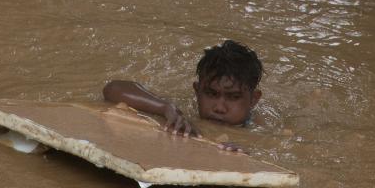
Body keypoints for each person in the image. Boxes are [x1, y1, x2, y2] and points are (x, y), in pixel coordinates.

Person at [102, 40, 263, 148]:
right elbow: (113, 88)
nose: (219, 108)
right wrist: (166, 108)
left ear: (253, 100)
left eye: (233, 97)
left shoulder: (262, 131)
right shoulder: (181, 113)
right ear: (197, 91)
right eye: (211, 93)